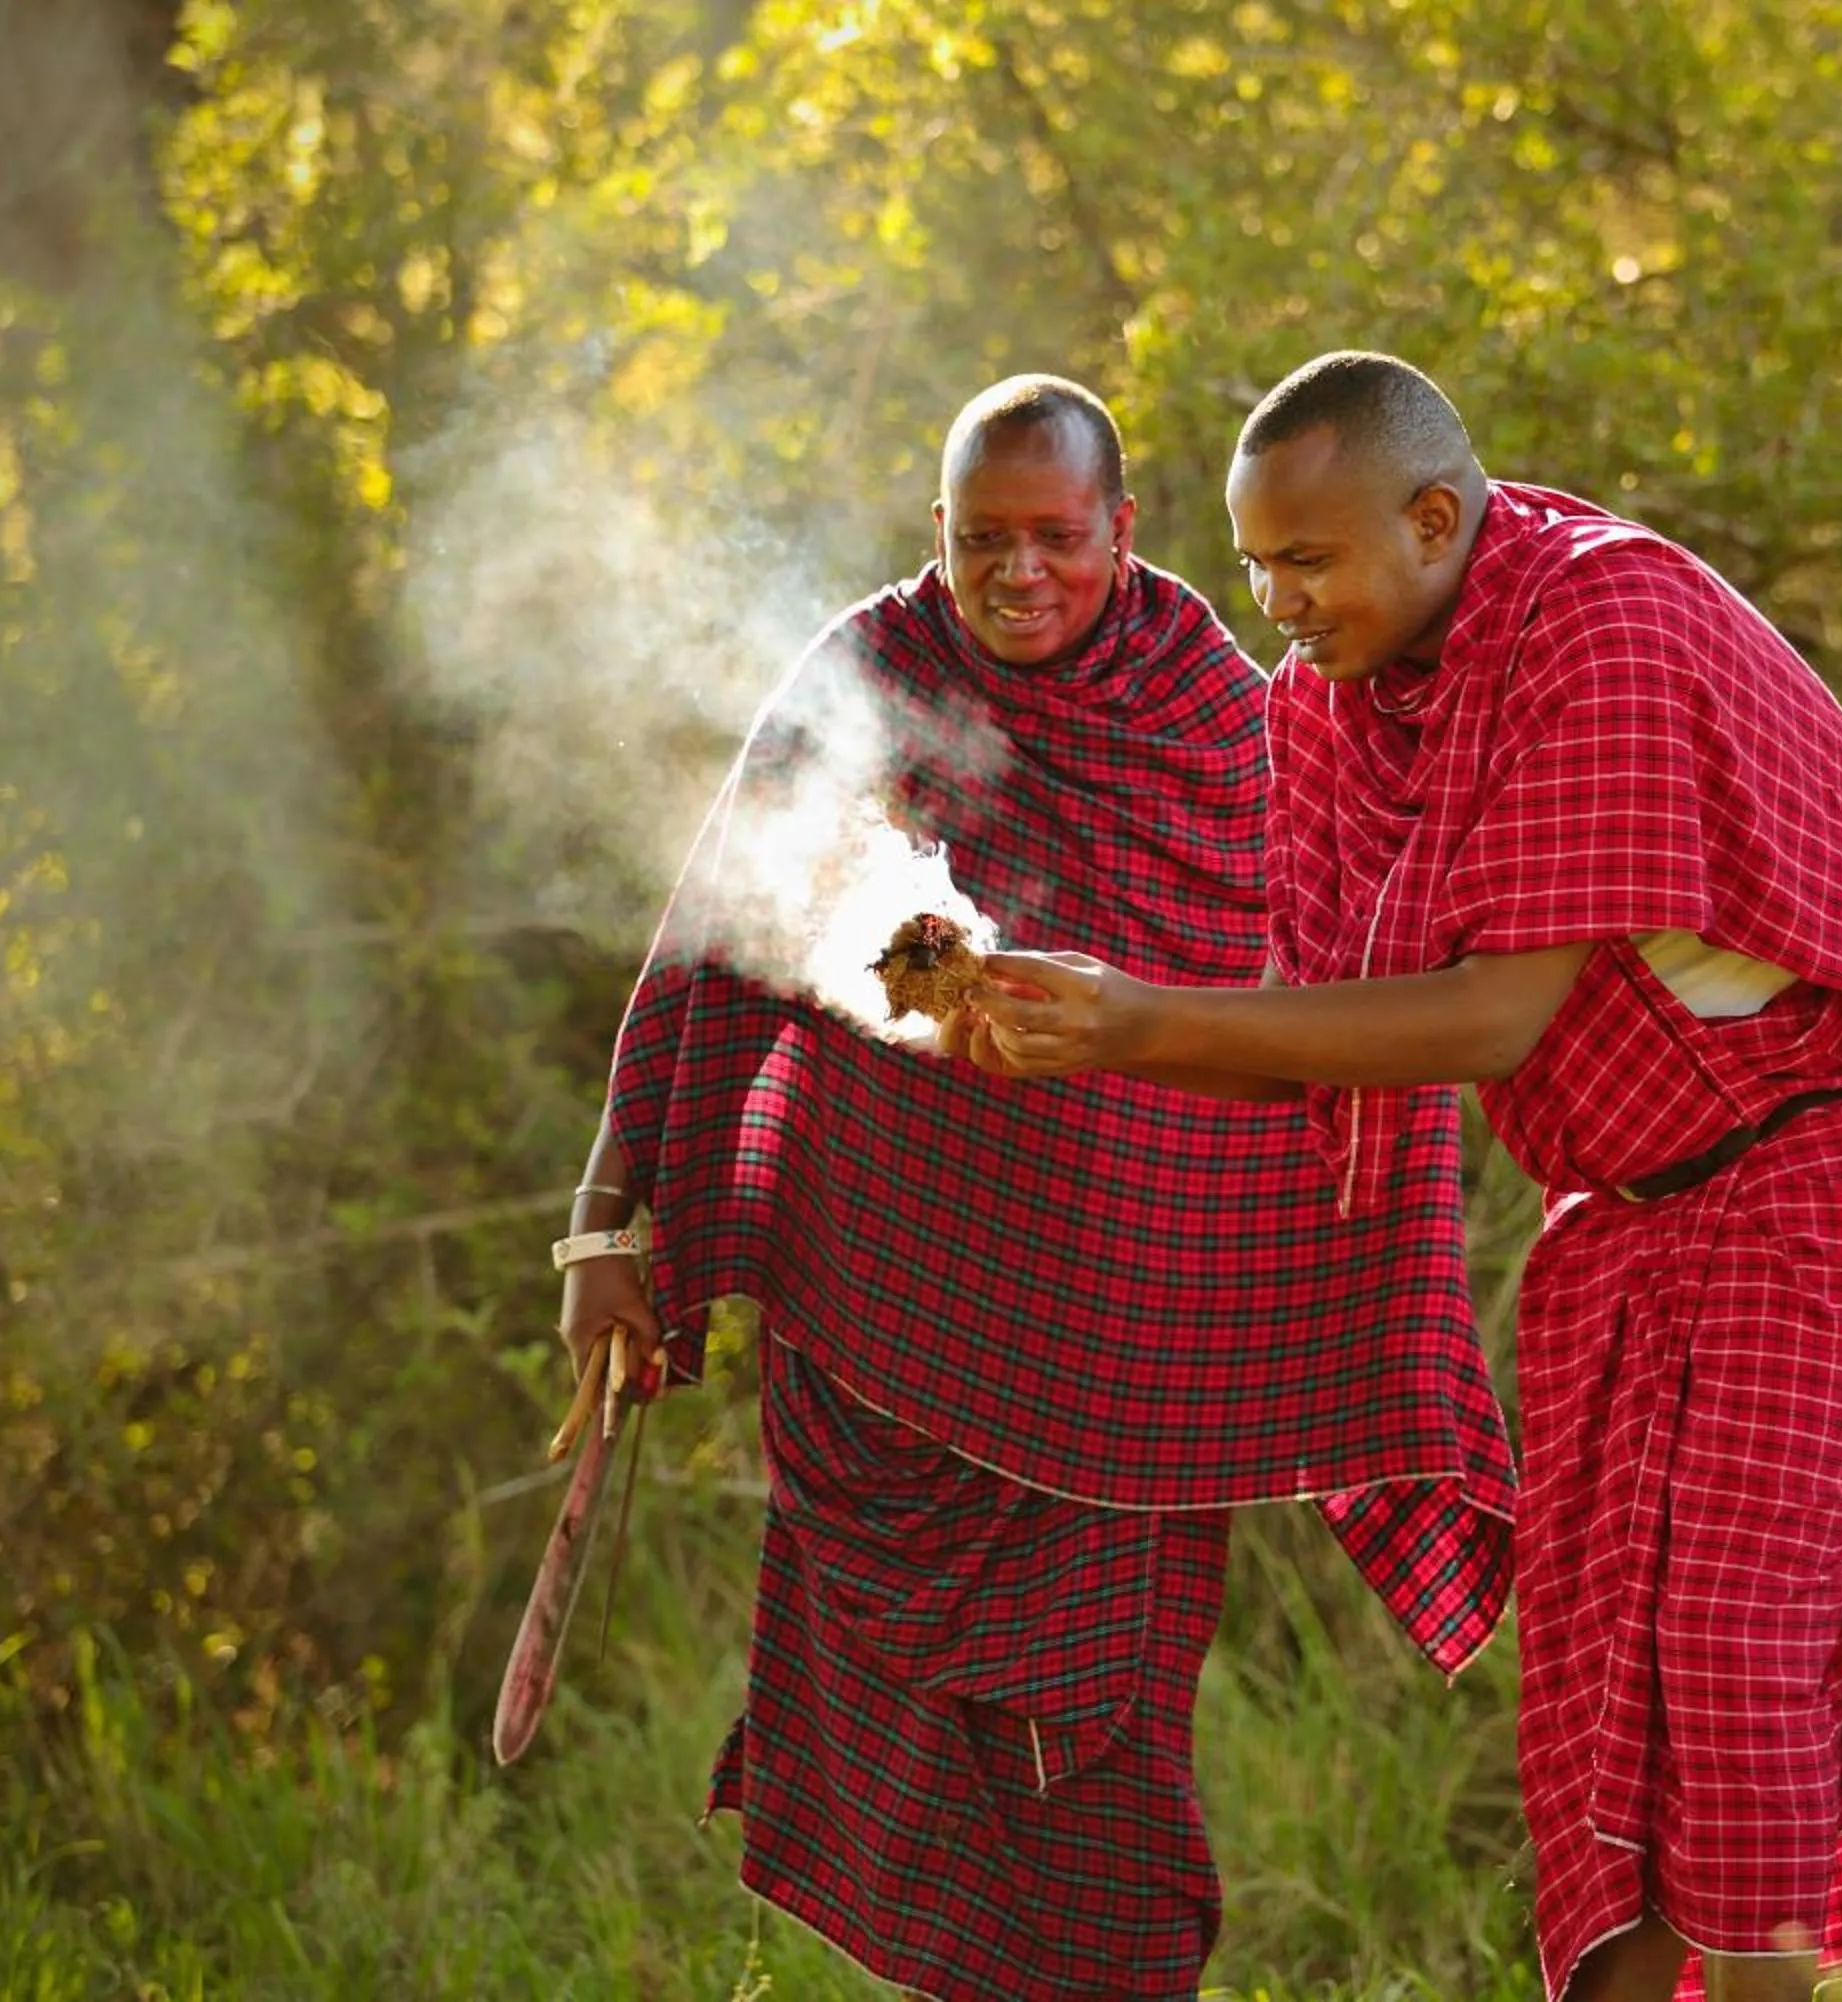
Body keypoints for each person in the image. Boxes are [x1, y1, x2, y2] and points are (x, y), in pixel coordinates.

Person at [953, 352, 1842, 2002]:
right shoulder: (1335, 704)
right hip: (1623, 1211)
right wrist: (1091, 1029)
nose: (1277, 606)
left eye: (1307, 564)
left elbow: (1485, 1015)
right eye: (1257, 568)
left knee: (1739, 1649)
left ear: (1436, 518)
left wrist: (1145, 1013)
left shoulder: (1603, 625)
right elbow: (1313, 1033)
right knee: (1603, 1679)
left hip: (1818, 1167)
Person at [554, 374, 1516, 2002]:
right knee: (916, 1781)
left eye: (1055, 538)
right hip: (883, 1329)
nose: (1019, 572)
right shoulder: (867, 670)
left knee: (1105, 1782)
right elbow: (714, 949)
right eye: (983, 539)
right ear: (937, 536)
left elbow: (1321, 972)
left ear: (1122, 533)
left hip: (1127, 1351)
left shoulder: (1215, 704)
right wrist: (607, 1222)